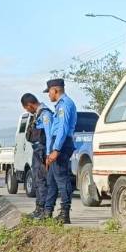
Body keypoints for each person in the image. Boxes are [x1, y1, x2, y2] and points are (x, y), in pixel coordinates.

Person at [43, 78, 78, 224]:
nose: (48, 95)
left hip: (62, 144)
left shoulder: (65, 105)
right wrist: (49, 151)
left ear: (55, 90)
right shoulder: (60, 105)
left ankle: (65, 214)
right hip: (57, 144)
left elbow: (62, 128)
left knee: (62, 179)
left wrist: (56, 149)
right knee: (51, 180)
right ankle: (47, 212)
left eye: (49, 92)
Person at [20, 92, 53, 219]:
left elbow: (49, 136)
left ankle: (44, 209)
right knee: (37, 180)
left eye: (26, 108)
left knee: (42, 180)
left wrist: (49, 154)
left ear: (29, 105)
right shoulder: (37, 115)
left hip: (43, 151)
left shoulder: (45, 114)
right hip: (37, 150)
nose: (27, 111)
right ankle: (38, 209)